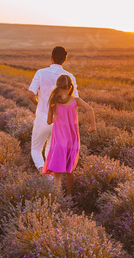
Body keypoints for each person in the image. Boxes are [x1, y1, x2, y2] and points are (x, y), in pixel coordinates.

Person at [28, 46, 79, 174]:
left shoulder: (40, 72)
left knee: (35, 150)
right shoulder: (69, 76)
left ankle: (43, 171)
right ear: (64, 60)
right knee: (50, 151)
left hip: (42, 117)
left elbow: (30, 94)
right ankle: (49, 176)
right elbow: (75, 99)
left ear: (51, 58)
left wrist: (39, 104)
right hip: (60, 121)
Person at [42, 75, 96, 196]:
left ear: (58, 86)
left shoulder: (54, 101)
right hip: (73, 140)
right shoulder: (75, 100)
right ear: (70, 86)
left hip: (59, 141)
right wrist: (93, 126)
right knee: (69, 169)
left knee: (57, 172)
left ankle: (56, 196)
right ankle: (69, 195)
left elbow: (49, 121)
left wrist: (53, 112)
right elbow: (90, 109)